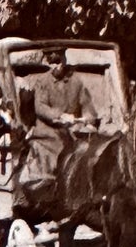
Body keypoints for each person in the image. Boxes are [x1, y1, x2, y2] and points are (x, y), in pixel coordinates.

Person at [23, 49, 102, 185]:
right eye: (51, 63)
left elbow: (86, 105)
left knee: (90, 151)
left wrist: (88, 120)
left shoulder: (76, 82)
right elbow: (40, 107)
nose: (55, 66)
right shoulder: (42, 82)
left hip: (72, 131)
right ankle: (47, 186)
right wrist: (60, 115)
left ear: (64, 60)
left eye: (58, 62)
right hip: (47, 132)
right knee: (52, 152)